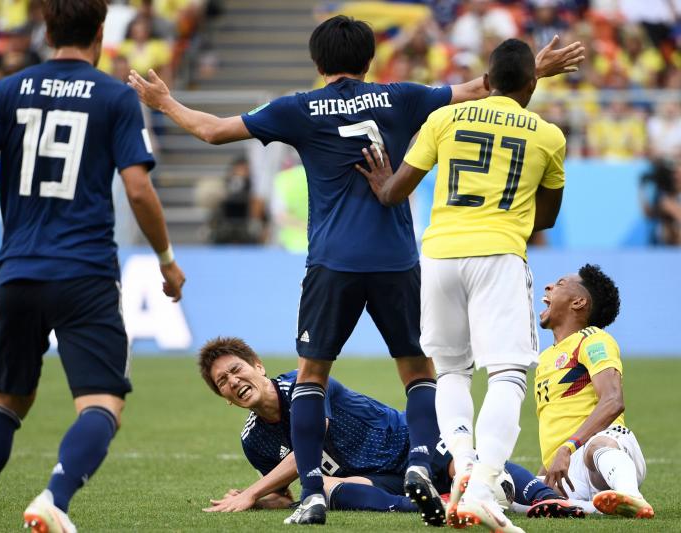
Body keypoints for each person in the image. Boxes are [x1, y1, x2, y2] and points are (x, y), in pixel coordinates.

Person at [128, 15, 583, 526]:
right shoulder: (402, 96)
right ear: (369, 59)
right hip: (397, 260)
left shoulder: (298, 108)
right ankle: (418, 461)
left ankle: (313, 496)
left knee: (310, 378)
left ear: (318, 62)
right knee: (418, 372)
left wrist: (163, 102)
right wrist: (534, 69)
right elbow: (482, 88)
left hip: (332, 263)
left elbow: (212, 131)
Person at [0, 2, 186, 532]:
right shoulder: (114, 96)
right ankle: (55, 498)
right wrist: (166, 260)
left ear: (45, 30)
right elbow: (137, 188)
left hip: (18, 271)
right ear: (99, 33)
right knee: (102, 403)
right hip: (85, 272)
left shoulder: (8, 90)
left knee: (5, 402)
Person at [357, 39, 567, 533]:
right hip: (498, 254)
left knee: (450, 371)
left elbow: (393, 193)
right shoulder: (549, 136)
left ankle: (465, 467)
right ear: (532, 84)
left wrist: (382, 180)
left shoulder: (445, 120)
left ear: (486, 82)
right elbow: (548, 218)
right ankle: (482, 484)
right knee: (509, 374)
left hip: (439, 255)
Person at [197, 336, 585, 519]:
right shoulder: (253, 440)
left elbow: (309, 446)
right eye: (223, 383)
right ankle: (435, 506)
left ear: (258, 366)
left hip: (407, 444)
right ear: (225, 398)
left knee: (458, 460)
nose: (233, 381)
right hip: (373, 478)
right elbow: (286, 494)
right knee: (325, 490)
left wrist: (251, 492)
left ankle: (544, 497)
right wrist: (257, 498)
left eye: (236, 370)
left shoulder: (304, 384)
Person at [536, 264, 654, 518]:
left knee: (597, 444)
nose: (548, 287)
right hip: (569, 473)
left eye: (559, 283)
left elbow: (613, 400)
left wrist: (567, 448)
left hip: (608, 452)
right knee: (513, 488)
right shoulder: (546, 358)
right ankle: (593, 508)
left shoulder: (593, 339)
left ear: (578, 302)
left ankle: (631, 495)